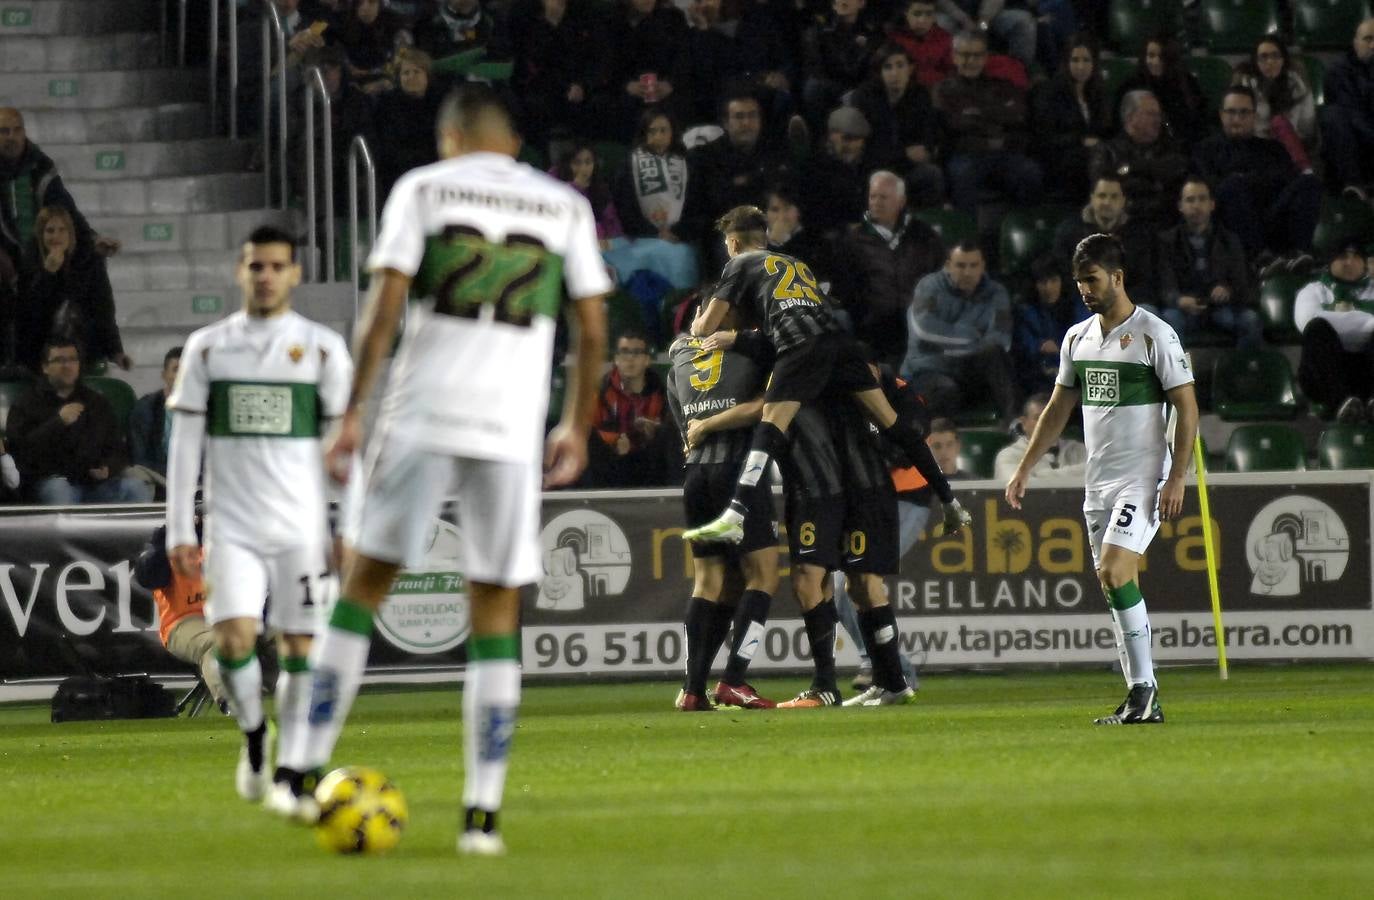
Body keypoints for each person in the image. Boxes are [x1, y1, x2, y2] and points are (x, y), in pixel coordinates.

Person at [304, 86, 610, 856]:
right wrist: (575, 422)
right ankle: (482, 818)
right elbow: (594, 326)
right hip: (511, 425)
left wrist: (350, 410)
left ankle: (303, 769)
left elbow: (384, 305)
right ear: (511, 141)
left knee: (363, 586)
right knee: (496, 612)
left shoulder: (424, 189)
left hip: (423, 413)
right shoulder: (562, 204)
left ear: (450, 137)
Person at [164, 227, 351, 821]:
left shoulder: (322, 350)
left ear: (294, 274)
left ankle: (292, 771)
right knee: (234, 639)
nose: (265, 276)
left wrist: (351, 524)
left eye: (276, 266)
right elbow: (185, 444)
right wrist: (178, 531)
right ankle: (252, 735)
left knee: (301, 648)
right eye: (255, 266)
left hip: (301, 526)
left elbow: (350, 448)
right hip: (233, 526)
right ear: (239, 272)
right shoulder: (209, 349)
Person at [682, 205, 967, 545]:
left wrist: (699, 322)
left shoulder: (739, 263)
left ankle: (735, 515)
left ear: (732, 243)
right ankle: (951, 502)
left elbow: (707, 327)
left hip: (799, 347)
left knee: (770, 423)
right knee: (892, 422)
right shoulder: (796, 264)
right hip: (840, 343)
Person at [1005, 233, 1199, 725]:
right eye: (1079, 282)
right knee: (1114, 585)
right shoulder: (1078, 337)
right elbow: (1057, 408)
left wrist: (1177, 477)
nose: (1084, 290)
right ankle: (1142, 694)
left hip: (1144, 479)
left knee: (1115, 570)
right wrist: (1026, 466)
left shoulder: (1155, 334)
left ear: (1118, 277)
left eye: (1091, 280)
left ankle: (1145, 691)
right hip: (1099, 484)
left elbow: (1187, 406)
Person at [665, 318, 779, 711]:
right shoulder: (753, 351)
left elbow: (681, 417)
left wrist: (702, 425)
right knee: (762, 574)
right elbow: (767, 406)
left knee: (710, 580)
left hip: (695, 473)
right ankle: (734, 680)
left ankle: (692, 689)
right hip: (739, 469)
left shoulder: (679, 356)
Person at [5, 338, 152, 505]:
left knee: (135, 488)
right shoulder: (26, 403)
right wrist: (58, 423)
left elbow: (118, 448)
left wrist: (108, 468)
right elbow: (20, 453)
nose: (67, 366)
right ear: (45, 367)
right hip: (50, 482)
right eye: (59, 360)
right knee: (59, 490)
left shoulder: (97, 402)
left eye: (72, 359)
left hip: (94, 484)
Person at [1191, 85, 1322, 265]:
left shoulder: (1273, 149)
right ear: (1221, 115)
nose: (1237, 118)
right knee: (1232, 186)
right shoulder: (1205, 150)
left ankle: (1300, 255)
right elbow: (1210, 190)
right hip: (1230, 224)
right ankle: (1259, 258)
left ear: (1254, 116)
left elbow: (1286, 183)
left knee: (1309, 182)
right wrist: (1249, 182)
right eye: (1231, 112)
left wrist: (1246, 181)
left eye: (1244, 112)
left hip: (1271, 217)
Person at [0, 107, 119, 292]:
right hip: (5, 257)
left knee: (90, 260)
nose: (11, 137)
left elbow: (65, 210)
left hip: (38, 250)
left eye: (17, 130)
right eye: (4, 131)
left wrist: (93, 240)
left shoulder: (40, 167)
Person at [833, 170, 945, 365]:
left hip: (919, 325)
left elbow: (940, 278)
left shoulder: (924, 237)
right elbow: (844, 289)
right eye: (872, 196)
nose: (876, 202)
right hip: (873, 329)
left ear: (901, 202)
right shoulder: (852, 241)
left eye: (883, 197)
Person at [900, 240, 1018, 423]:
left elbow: (1001, 339)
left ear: (983, 266)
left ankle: (1014, 425)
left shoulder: (996, 292)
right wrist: (973, 336)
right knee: (945, 390)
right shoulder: (929, 286)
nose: (968, 272)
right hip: (928, 370)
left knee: (997, 355)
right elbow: (924, 329)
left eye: (974, 265)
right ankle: (937, 443)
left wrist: (947, 345)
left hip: (969, 370)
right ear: (948, 266)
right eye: (961, 265)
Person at [932, 29, 1042, 217]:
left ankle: (1020, 232)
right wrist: (990, 123)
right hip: (965, 154)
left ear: (985, 58)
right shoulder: (944, 90)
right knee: (963, 174)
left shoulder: (1001, 86)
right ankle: (968, 240)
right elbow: (954, 127)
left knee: (1029, 171)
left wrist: (977, 118)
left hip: (1004, 152)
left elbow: (1017, 118)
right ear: (955, 57)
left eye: (977, 55)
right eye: (965, 55)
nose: (971, 61)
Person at [134, 516, 231, 715]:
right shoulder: (167, 542)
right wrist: (166, 542)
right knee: (215, 643)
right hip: (184, 621)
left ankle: (302, 700)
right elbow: (148, 577)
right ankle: (232, 702)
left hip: (229, 615)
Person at [17, 205, 129, 372]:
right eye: (50, 230)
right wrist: (47, 275)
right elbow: (28, 316)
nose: (56, 236)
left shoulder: (89, 263)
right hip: (42, 353)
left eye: (62, 230)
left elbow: (103, 310)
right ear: (41, 235)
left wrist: (116, 352)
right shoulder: (29, 264)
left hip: (83, 349)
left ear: (71, 234)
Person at [1156, 178, 1261, 349]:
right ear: (1180, 206)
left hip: (1220, 307)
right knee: (1169, 322)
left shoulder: (1229, 240)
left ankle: (1240, 373)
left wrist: (1227, 289)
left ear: (1212, 204)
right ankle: (1179, 374)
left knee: (1251, 320)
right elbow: (1163, 282)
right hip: (1183, 308)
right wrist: (1179, 300)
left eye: (1202, 199)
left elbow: (1242, 282)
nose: (1196, 205)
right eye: (1190, 200)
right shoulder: (1167, 241)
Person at [609, 110, 702, 290]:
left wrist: (678, 232)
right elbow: (625, 209)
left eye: (663, 130)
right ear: (644, 134)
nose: (658, 136)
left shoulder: (689, 163)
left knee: (680, 255)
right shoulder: (629, 165)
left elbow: (698, 207)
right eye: (652, 131)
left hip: (679, 238)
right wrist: (654, 231)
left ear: (672, 133)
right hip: (641, 236)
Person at [849, 43, 945, 207]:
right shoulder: (864, 97)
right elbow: (865, 149)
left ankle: (925, 227)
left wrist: (927, 150)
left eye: (900, 65)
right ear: (879, 72)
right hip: (873, 169)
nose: (895, 73)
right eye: (888, 67)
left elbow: (929, 134)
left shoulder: (920, 95)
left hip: (907, 168)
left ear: (910, 68)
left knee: (932, 174)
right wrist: (904, 154)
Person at [1293, 240, 1374, 424]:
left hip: (1366, 370)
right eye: (1343, 257)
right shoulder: (1313, 291)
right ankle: (1341, 405)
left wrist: (1336, 320)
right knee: (1317, 330)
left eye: (1356, 257)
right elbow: (1308, 321)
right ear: (1330, 262)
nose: (1349, 263)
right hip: (1325, 377)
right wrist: (1367, 323)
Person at [1050, 173, 1156, 306]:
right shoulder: (1070, 231)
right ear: (1092, 198)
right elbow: (1064, 273)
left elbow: (1144, 280)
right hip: (1083, 301)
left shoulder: (1138, 234)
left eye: (1114, 197)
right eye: (1102, 196)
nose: (1107, 202)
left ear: (1123, 201)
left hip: (1129, 302)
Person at [1089, 90, 1189, 230]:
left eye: (1158, 114)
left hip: (1165, 227)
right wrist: (1152, 175)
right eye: (1150, 114)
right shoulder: (1107, 152)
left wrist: (1132, 168)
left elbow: (1177, 180)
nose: (1157, 120)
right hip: (1123, 227)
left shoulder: (1169, 150)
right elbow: (1106, 192)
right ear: (1130, 117)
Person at [1029, 33, 1111, 202]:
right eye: (1075, 60)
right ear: (1066, 62)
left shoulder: (1097, 93)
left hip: (1092, 153)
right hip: (1060, 158)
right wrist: (1080, 140)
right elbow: (1044, 138)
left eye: (1086, 60)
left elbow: (1105, 130)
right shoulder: (1050, 92)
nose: (1081, 66)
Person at [585, 329, 669, 487]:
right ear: (616, 359)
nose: (630, 359)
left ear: (647, 360)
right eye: (624, 352)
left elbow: (670, 430)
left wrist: (654, 430)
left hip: (648, 461)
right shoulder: (601, 391)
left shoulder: (661, 393)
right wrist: (615, 440)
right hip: (609, 461)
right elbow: (588, 429)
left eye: (637, 352)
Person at [1231, 36, 1318, 170]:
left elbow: (1306, 126)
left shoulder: (1296, 84)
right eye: (1263, 57)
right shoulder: (1244, 86)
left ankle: (1304, 173)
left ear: (1284, 59)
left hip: (1290, 145)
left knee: (1280, 123)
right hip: (1254, 145)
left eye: (1275, 56)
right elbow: (1238, 125)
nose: (1270, 62)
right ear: (1255, 61)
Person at [1012, 255, 1089, 396]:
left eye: (1053, 281)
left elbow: (1086, 342)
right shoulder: (1025, 311)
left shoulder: (1078, 307)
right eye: (1042, 282)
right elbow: (1023, 344)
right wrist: (1039, 347)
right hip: (1037, 377)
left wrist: (1059, 349)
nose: (1048, 288)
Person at [372, 47, 442, 200]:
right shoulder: (387, 105)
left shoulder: (441, 104)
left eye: (417, 72)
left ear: (427, 76)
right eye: (406, 73)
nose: (411, 77)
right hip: (399, 173)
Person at [1113, 35, 1207, 147]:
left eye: (1162, 57)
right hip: (1138, 148)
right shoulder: (1130, 85)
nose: (1156, 61)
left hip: (1181, 148)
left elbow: (1198, 122)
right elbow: (1120, 123)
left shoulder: (1187, 83)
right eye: (1151, 55)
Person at [1318, 17, 1374, 194]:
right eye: (1368, 39)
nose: (1373, 46)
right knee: (1333, 115)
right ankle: (1353, 186)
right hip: (1354, 144)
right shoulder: (1339, 70)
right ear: (1355, 43)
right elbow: (1351, 114)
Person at [799, 106, 876, 235]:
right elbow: (812, 212)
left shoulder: (869, 166)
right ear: (831, 135)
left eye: (858, 139)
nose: (852, 145)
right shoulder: (815, 168)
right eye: (847, 138)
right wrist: (844, 228)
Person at [992, 391, 1085, 482]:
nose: (1046, 423)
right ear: (1024, 423)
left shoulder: (1079, 450)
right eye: (1038, 418)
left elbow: (1096, 473)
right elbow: (1019, 485)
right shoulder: (1008, 456)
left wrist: (1038, 476)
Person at [128, 346, 182, 486]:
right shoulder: (146, 408)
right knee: (136, 474)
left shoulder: (206, 408)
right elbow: (139, 457)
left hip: (196, 476)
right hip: (157, 474)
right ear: (164, 375)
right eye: (176, 369)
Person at [935, 0, 1036, 69]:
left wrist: (984, 21)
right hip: (952, 15)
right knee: (941, 25)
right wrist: (964, 20)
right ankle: (946, 69)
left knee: (1023, 22)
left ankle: (1019, 68)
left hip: (989, 16)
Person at [889, 0, 954, 88]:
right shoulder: (894, 38)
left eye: (929, 14)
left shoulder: (945, 38)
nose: (922, 20)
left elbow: (950, 73)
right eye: (917, 14)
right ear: (906, 14)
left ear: (934, 16)